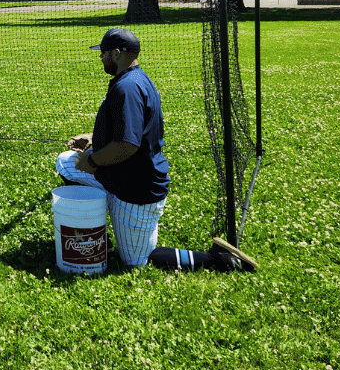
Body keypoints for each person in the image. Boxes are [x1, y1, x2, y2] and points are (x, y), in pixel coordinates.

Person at [55, 27, 257, 273]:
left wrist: (93, 161)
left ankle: (221, 260)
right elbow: (131, 131)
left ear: (117, 54)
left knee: (137, 261)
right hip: (121, 176)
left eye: (104, 52)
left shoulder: (126, 88)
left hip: (135, 190)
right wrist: (92, 138)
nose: (101, 57)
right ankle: (95, 230)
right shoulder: (135, 78)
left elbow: (128, 145)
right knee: (66, 161)